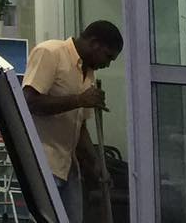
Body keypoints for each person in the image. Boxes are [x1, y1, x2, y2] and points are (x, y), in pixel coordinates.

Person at [22, 20, 123, 223]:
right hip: (43, 164)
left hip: (68, 167)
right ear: (94, 43)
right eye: (108, 56)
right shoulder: (50, 53)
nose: (108, 64)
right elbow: (28, 103)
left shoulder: (88, 73)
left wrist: (95, 163)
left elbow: (79, 127)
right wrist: (79, 100)